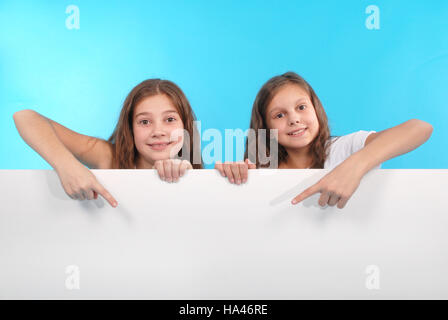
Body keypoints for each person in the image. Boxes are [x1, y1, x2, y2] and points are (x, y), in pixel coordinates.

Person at [215, 72, 433, 209]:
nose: (294, 119)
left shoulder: (344, 148)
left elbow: (420, 128)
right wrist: (235, 174)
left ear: (316, 110)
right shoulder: (262, 170)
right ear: (265, 127)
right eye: (279, 115)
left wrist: (354, 167)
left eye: (301, 107)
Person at [13, 79, 202, 208]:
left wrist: (187, 177)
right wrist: (67, 166)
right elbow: (25, 117)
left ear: (185, 125)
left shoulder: (195, 173)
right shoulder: (109, 157)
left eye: (169, 119)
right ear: (130, 128)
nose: (158, 131)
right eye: (144, 122)